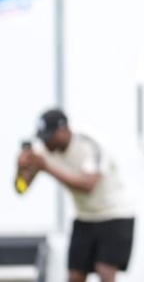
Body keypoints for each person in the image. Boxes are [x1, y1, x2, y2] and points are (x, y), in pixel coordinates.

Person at [14, 109, 135, 282]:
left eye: (50, 136)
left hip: (115, 214)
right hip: (84, 217)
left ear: (65, 130)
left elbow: (88, 185)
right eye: (43, 137)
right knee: (75, 276)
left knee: (105, 270)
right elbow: (21, 188)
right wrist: (20, 169)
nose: (46, 142)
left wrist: (46, 168)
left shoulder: (91, 144)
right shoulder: (44, 149)